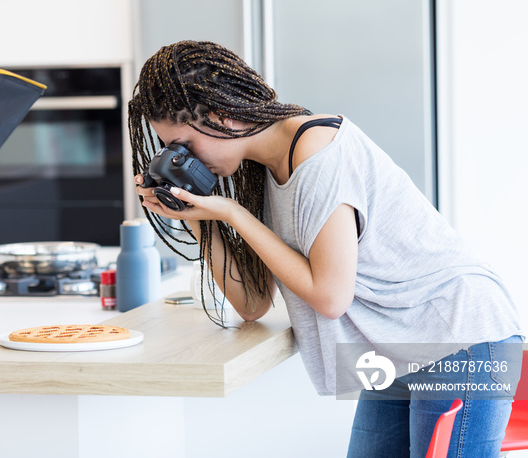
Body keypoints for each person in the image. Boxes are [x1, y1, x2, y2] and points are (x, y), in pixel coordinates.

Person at [128, 40, 523, 457]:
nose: (181, 159)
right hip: (396, 348)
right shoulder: (258, 172)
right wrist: (199, 220)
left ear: (221, 116)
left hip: (457, 337)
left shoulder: (318, 153)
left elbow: (331, 296)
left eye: (183, 146)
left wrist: (230, 214)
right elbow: (253, 303)